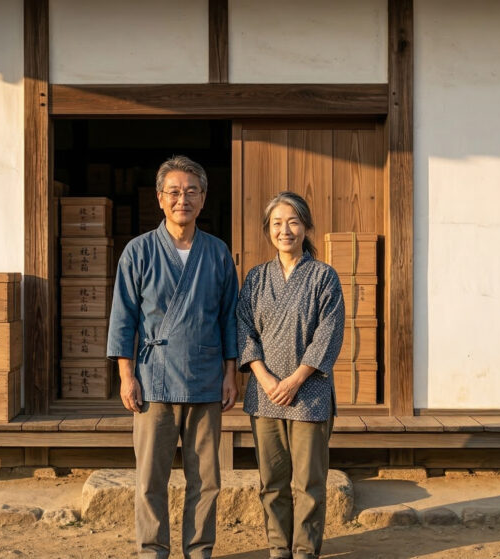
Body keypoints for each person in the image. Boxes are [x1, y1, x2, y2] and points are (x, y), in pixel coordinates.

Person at [107, 155, 239, 559]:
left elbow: (229, 318)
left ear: (203, 199)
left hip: (205, 378)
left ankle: (199, 550)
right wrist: (126, 376)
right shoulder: (139, 251)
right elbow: (123, 317)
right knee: (150, 477)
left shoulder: (217, 252)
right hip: (154, 379)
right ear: (160, 198)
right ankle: (152, 550)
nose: (183, 199)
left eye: (191, 192)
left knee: (207, 480)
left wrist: (230, 374)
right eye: (175, 192)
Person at [236, 191, 345, 559]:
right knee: (272, 480)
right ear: (268, 229)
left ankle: (304, 550)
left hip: (309, 394)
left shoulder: (324, 276)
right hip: (265, 393)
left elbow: (328, 334)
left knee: (309, 482)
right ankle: (278, 548)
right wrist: (264, 378)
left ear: (306, 227)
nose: (285, 230)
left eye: (293, 222)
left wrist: (296, 379)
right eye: (277, 223)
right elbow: (243, 328)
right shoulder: (256, 278)